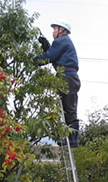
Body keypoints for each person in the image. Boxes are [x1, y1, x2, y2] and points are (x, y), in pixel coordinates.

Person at [33, 19, 80, 148]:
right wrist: (46, 45)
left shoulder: (62, 41)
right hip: (66, 77)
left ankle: (73, 140)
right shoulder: (61, 43)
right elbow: (54, 54)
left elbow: (50, 56)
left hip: (68, 77)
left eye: (55, 29)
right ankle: (70, 139)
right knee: (66, 109)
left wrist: (34, 61)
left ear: (62, 31)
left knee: (69, 109)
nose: (53, 31)